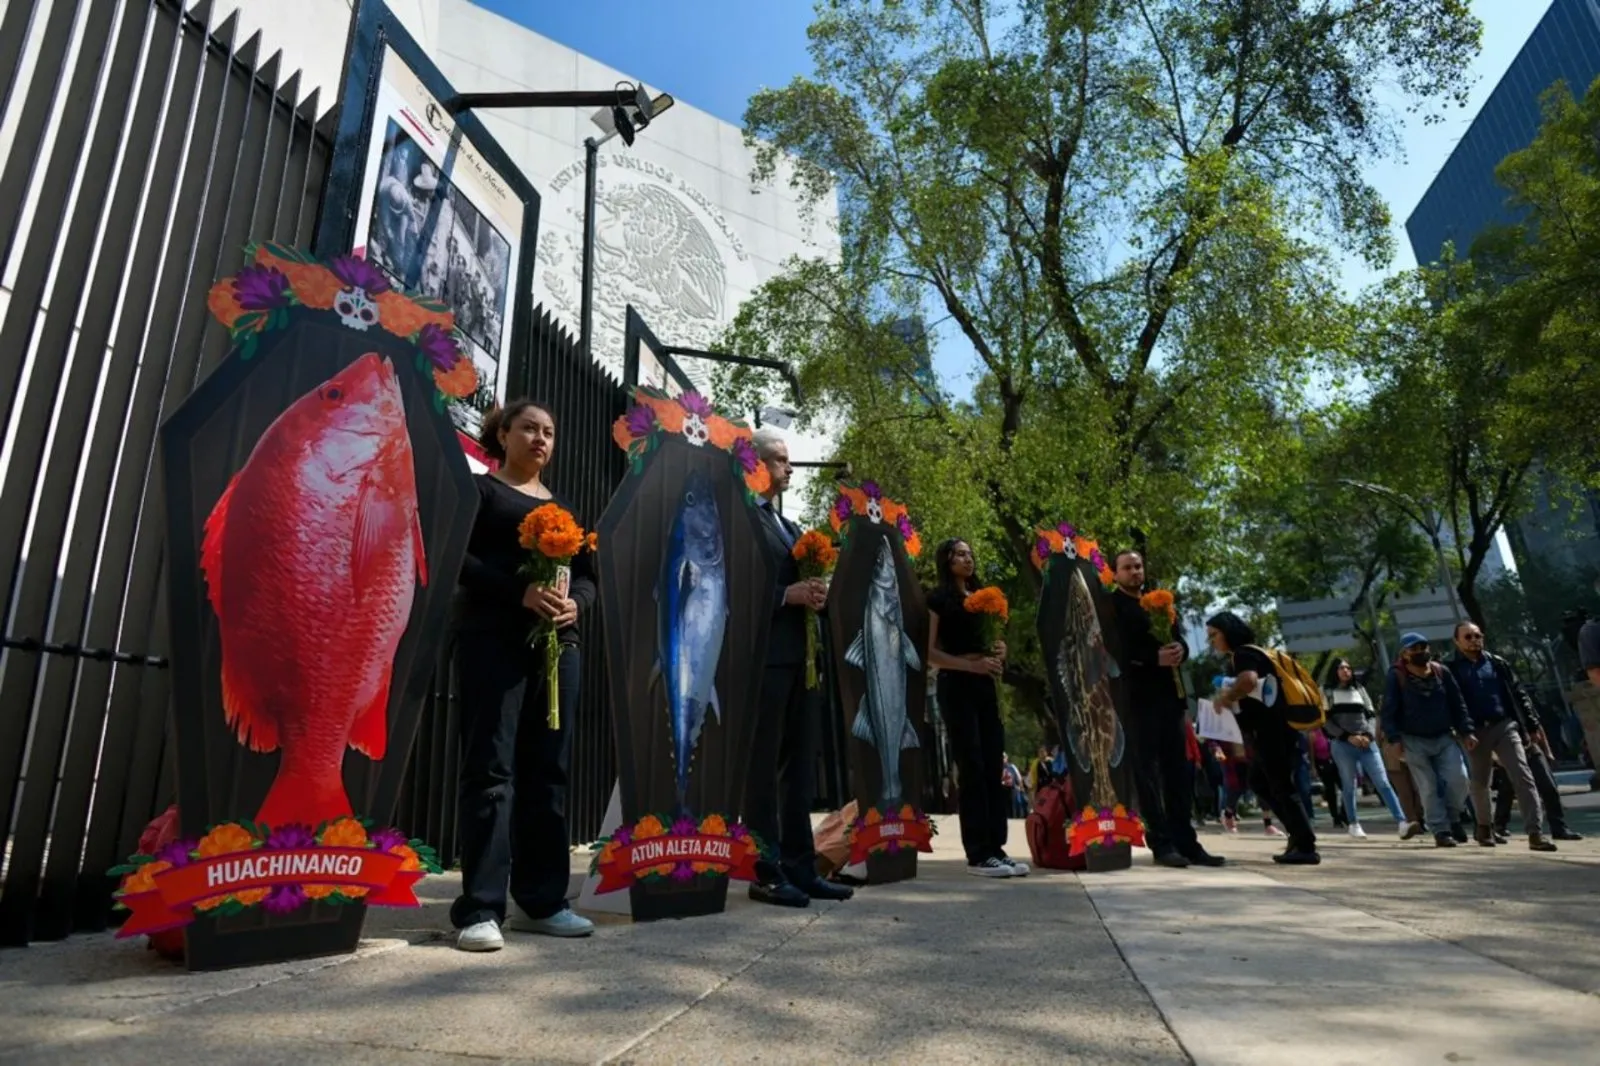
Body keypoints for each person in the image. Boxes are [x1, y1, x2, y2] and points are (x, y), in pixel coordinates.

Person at [450, 400, 597, 951]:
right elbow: (456, 557)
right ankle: (480, 909)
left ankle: (543, 901)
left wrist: (576, 605)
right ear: (503, 434)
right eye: (530, 428)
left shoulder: (564, 510)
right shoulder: (481, 494)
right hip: (495, 643)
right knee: (491, 768)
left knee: (549, 772)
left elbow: (585, 577)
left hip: (560, 650)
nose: (541, 439)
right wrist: (520, 592)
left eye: (550, 432)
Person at [743, 428, 854, 908]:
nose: (788, 468)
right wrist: (782, 596)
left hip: (802, 662)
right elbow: (724, 587)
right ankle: (765, 871)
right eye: (781, 460)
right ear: (756, 464)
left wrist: (816, 595)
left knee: (799, 772)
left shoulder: (787, 527)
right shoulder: (739, 518)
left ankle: (801, 867)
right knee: (762, 771)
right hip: (763, 659)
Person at [1111, 551, 1224, 868]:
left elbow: (1180, 642)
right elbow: (1113, 652)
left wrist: (1181, 650)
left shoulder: (1158, 603)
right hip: (1137, 700)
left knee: (1179, 772)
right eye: (1127, 568)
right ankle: (1161, 843)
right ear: (1115, 573)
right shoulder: (1112, 607)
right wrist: (1151, 658)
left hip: (1171, 698)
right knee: (1147, 774)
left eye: (1138, 566)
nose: (1135, 572)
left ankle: (1187, 841)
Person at [926, 538, 1029, 878]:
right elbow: (929, 653)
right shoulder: (938, 599)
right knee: (970, 765)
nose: (966, 559)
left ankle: (997, 847)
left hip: (987, 686)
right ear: (946, 560)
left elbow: (993, 642)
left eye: (970, 554)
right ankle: (978, 852)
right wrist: (971, 665)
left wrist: (999, 652)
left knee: (991, 765)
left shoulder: (985, 597)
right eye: (959, 554)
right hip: (957, 686)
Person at [1207, 612, 1319, 864]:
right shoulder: (1255, 653)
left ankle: (1305, 844)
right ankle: (1298, 836)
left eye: (1214, 635)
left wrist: (1226, 697)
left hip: (1271, 729)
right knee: (1259, 781)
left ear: (1228, 631)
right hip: (1274, 728)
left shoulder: (1243, 654)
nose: (1212, 641)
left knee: (1280, 784)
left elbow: (1247, 681)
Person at [1445, 623, 1560, 852]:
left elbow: (1518, 693)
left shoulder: (1497, 663)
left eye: (1478, 636)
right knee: (1480, 781)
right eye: (1468, 637)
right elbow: (1452, 703)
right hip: (1474, 731)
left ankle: (1535, 833)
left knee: (1523, 775)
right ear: (1457, 641)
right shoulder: (1450, 669)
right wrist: (1464, 731)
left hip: (1504, 725)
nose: (1474, 640)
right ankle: (1485, 827)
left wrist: (1531, 724)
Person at [1381, 633, 1477, 849]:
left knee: (1459, 779)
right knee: (1428, 786)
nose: (1420, 652)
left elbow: (1457, 703)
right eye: (1414, 649)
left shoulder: (1441, 672)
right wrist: (1394, 739)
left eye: (1423, 647)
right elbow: (1389, 709)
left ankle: (1453, 818)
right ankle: (1441, 830)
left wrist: (1467, 731)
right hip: (1413, 740)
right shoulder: (1396, 676)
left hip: (1444, 736)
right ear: (1404, 654)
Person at [1322, 658, 1414, 840]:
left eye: (1348, 667)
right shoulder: (1327, 692)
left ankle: (1402, 822)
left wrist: (1369, 735)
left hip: (1367, 743)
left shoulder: (1359, 690)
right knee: (1349, 785)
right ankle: (1353, 823)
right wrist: (1348, 737)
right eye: (1341, 668)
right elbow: (1325, 721)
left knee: (1383, 782)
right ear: (1334, 671)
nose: (1346, 671)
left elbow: (1371, 716)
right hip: (1343, 744)